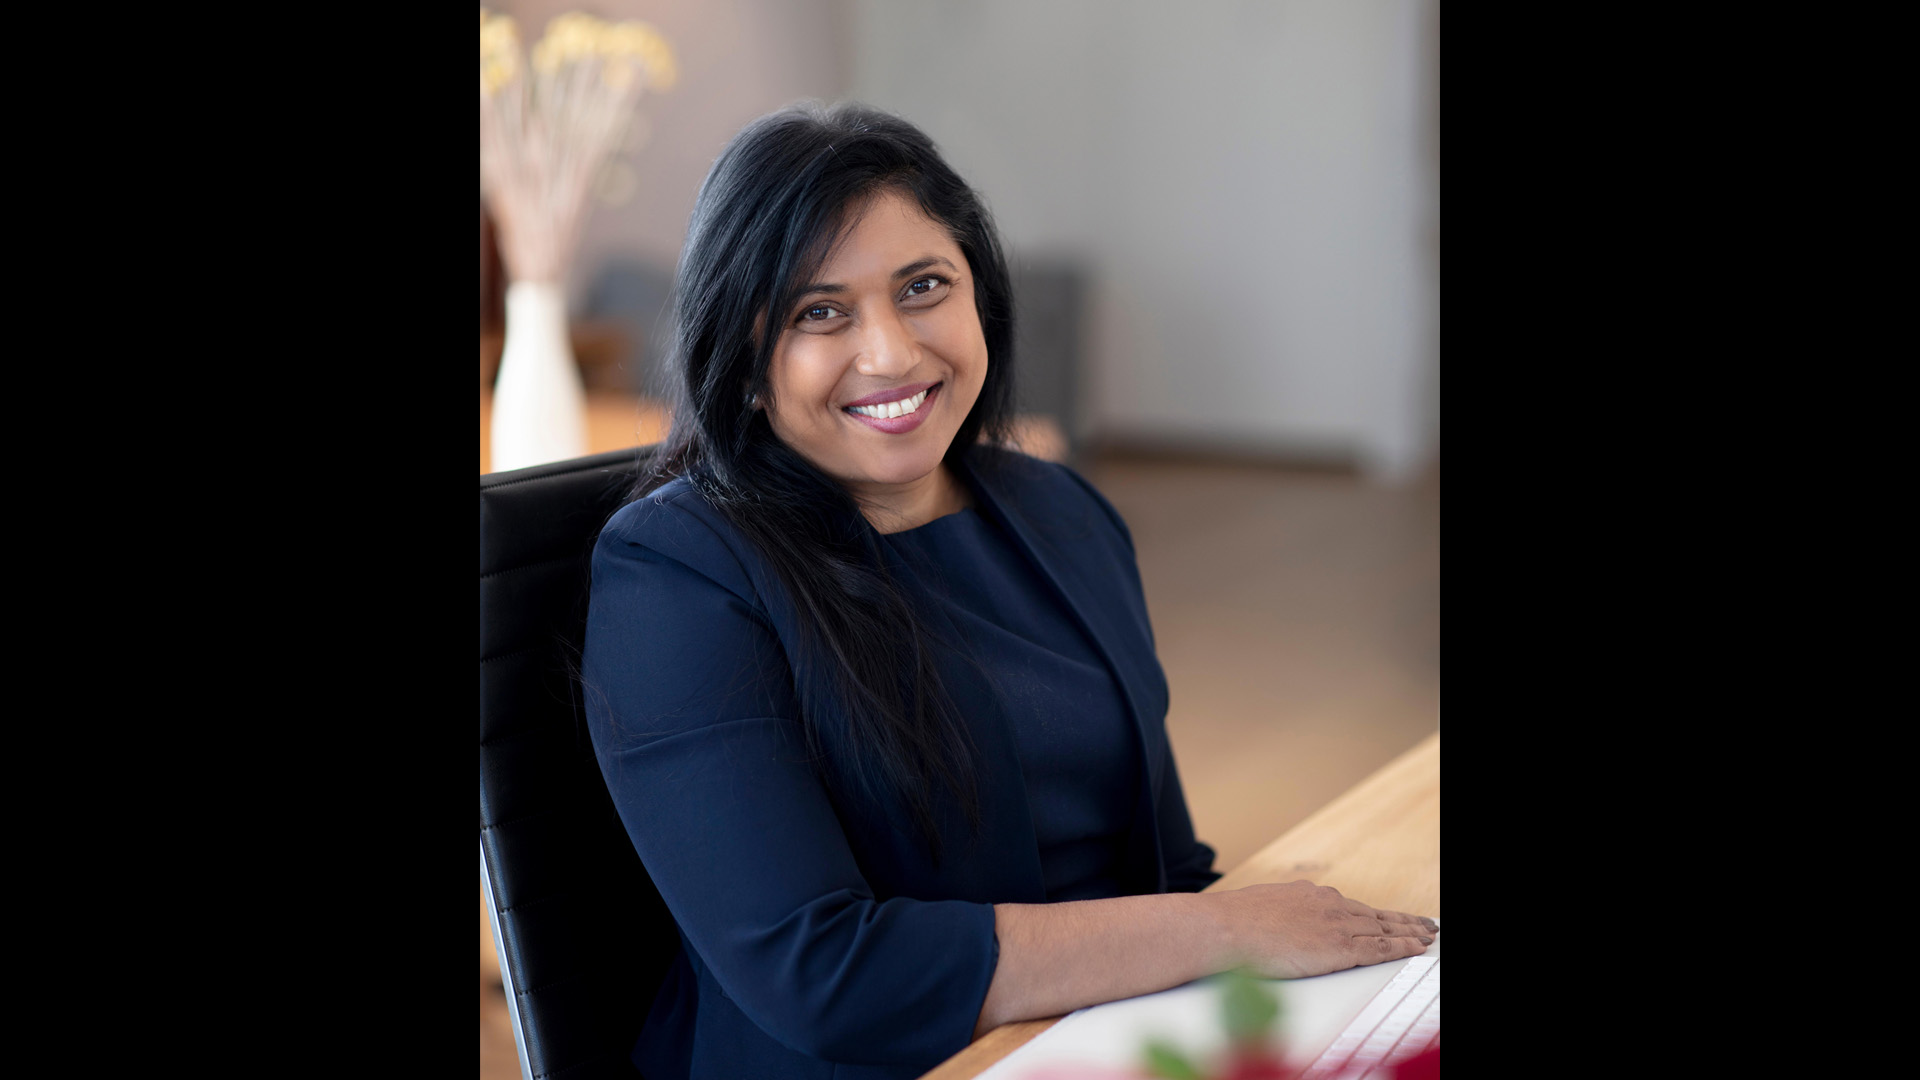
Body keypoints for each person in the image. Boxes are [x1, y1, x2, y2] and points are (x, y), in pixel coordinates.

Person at [581, 102, 1435, 1080]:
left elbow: (1162, 864)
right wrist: (1223, 933)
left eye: (923, 287)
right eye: (819, 312)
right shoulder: (677, 575)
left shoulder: (1061, 509)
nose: (893, 352)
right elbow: (824, 974)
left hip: (1112, 1033)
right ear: (741, 358)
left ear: (979, 293)